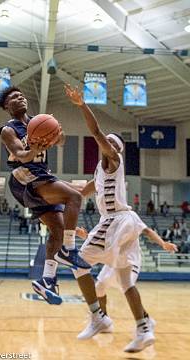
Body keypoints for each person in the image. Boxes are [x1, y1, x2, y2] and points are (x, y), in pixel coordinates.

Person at [64, 84, 177, 353]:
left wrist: (81, 105)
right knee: (126, 282)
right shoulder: (100, 174)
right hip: (122, 223)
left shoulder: (113, 160)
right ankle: (143, 327)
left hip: (116, 220)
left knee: (78, 263)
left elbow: (94, 132)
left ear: (116, 149)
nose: (108, 143)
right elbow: (80, 192)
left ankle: (98, 316)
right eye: (108, 141)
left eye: (113, 142)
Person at [0, 86, 90, 305]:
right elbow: (21, 155)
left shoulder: (38, 121)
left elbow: (62, 139)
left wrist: (54, 132)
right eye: (13, 98)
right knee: (75, 197)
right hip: (24, 178)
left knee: (57, 230)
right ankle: (69, 250)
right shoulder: (8, 130)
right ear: (6, 107)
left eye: (21, 95)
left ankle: (47, 280)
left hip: (41, 175)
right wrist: (34, 147)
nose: (19, 98)